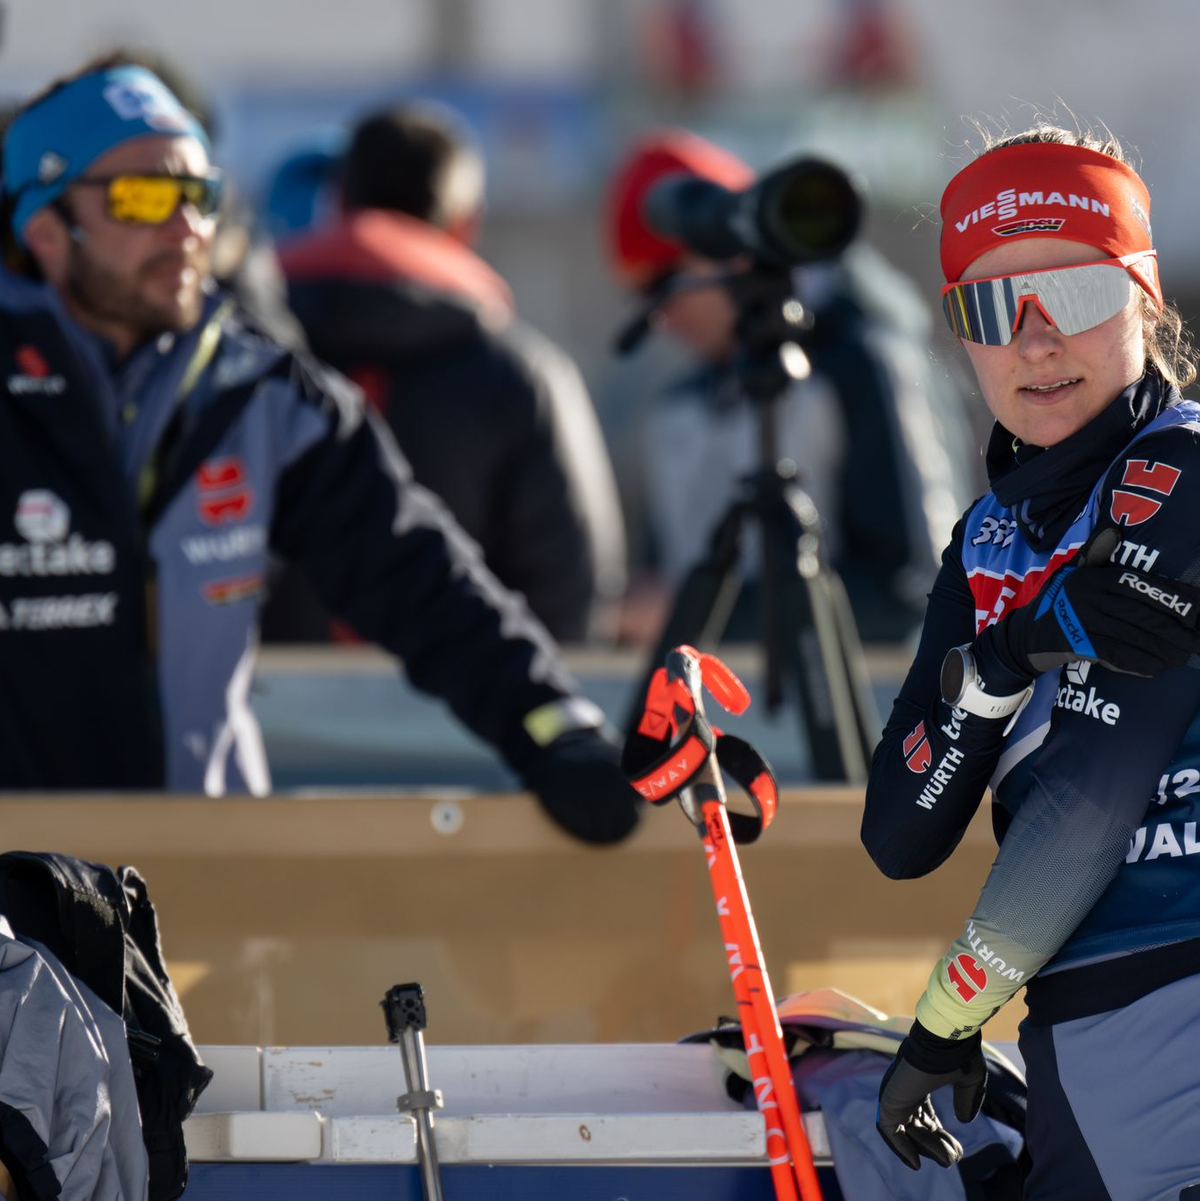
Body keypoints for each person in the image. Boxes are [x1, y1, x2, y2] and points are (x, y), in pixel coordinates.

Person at [0, 58, 642, 845]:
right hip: (16, 907)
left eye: (200, 194)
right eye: (142, 198)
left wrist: (554, 724)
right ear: (44, 230)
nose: (184, 227)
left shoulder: (257, 393)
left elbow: (417, 573)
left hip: (204, 886)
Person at [862, 120, 1200, 1196]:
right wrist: (1006, 656)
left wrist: (947, 1017)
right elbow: (901, 830)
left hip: (1165, 980)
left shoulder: (1181, 474)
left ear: (1145, 297)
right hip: (1091, 1005)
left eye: (1081, 295)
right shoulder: (992, 537)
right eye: (995, 309)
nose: (1039, 342)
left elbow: (1090, 805)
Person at [262, 103, 627, 644]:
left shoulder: (245, 354)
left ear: (337, 202)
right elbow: (574, 592)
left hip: (258, 713)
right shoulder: (523, 373)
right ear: (465, 221)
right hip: (463, 718)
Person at [603, 128, 976, 644]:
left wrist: (703, 617)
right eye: (641, 296)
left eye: (664, 283)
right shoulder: (678, 408)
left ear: (731, 248)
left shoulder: (865, 364)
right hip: (706, 715)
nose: (662, 315)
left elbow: (914, 593)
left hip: (864, 713)